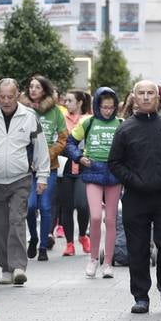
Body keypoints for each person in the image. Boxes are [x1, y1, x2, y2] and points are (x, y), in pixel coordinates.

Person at [108, 80, 161, 314]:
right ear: (134, 97)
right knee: (138, 249)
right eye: (141, 93)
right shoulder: (125, 129)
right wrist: (133, 180)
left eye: (150, 93)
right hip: (136, 197)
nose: (146, 97)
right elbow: (114, 163)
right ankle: (141, 296)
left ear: (158, 98)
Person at [0, 78, 48, 286]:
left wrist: (42, 176)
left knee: (17, 221)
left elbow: (40, 146)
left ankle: (18, 267)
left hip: (20, 178)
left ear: (17, 95)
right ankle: (5, 268)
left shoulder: (29, 116)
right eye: (2, 96)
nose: (6, 101)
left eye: (10, 96)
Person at [65, 87, 123, 278]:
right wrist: (79, 158)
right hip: (93, 172)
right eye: (104, 107)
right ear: (97, 106)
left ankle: (108, 262)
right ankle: (93, 259)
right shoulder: (88, 122)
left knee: (111, 220)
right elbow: (70, 142)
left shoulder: (121, 124)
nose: (108, 110)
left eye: (111, 107)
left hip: (114, 175)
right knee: (96, 217)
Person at [24, 75, 67, 261]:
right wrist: (29, 157)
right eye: (31, 87)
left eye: (38, 87)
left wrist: (46, 155)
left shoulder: (55, 111)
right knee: (30, 206)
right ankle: (33, 237)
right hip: (27, 168)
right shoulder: (22, 111)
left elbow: (63, 139)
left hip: (50, 166)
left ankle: (43, 246)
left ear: (45, 90)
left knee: (46, 206)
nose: (33, 90)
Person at [55, 89, 92, 257]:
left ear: (79, 103)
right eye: (65, 100)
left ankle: (83, 235)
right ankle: (69, 243)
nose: (66, 103)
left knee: (83, 205)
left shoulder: (88, 119)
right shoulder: (61, 119)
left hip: (84, 164)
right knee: (66, 206)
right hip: (65, 165)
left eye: (70, 101)